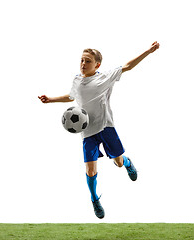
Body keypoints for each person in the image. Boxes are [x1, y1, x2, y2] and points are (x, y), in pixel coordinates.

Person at [38, 41, 160, 219]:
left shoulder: (105, 77)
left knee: (118, 162)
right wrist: (51, 99)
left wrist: (148, 51)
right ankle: (94, 199)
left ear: (97, 64)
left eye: (87, 61)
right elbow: (71, 96)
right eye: (81, 60)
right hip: (87, 132)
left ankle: (127, 163)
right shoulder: (77, 80)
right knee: (90, 170)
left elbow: (128, 66)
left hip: (106, 126)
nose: (83, 64)